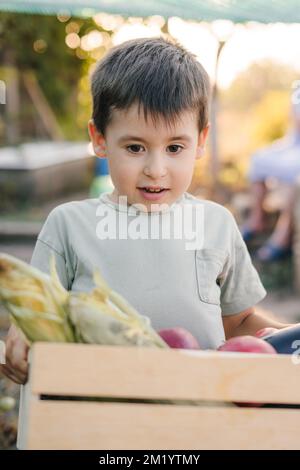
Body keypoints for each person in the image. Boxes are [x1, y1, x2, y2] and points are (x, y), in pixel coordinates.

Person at [0, 37, 295, 447]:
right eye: (135, 147)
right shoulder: (69, 224)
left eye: (175, 147)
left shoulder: (215, 223)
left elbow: (240, 321)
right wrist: (20, 335)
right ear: (100, 139)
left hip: (194, 426)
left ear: (201, 140)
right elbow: (36, 312)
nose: (156, 169)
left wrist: (292, 337)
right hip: (93, 427)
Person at [242, 98, 300, 261]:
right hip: (294, 145)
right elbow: (293, 130)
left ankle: (283, 235)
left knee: (295, 176)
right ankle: (257, 218)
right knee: (258, 159)